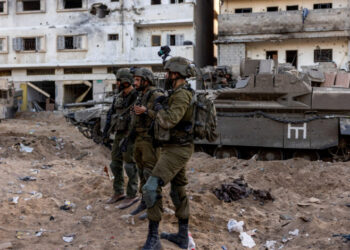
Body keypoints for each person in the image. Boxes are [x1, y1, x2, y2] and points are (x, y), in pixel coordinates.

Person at [142, 57, 195, 250]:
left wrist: (158, 110)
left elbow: (170, 120)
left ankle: (153, 239)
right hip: (176, 146)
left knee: (150, 187)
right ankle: (182, 236)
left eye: (168, 72)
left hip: (177, 150)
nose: (165, 76)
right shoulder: (179, 92)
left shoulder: (182, 95)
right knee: (177, 189)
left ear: (175, 74)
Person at [129, 68, 164, 218]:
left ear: (146, 80)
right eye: (134, 79)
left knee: (150, 174)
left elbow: (164, 117)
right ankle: (145, 202)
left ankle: (155, 207)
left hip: (150, 140)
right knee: (141, 173)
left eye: (137, 80)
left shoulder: (157, 95)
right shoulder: (141, 95)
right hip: (139, 139)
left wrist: (145, 111)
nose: (134, 83)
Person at [103, 68, 139, 209]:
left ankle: (132, 194)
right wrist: (105, 132)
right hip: (119, 133)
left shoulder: (136, 96)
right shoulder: (118, 96)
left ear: (127, 81)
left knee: (130, 165)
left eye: (120, 80)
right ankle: (118, 192)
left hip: (131, 134)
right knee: (115, 164)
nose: (117, 83)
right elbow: (110, 114)